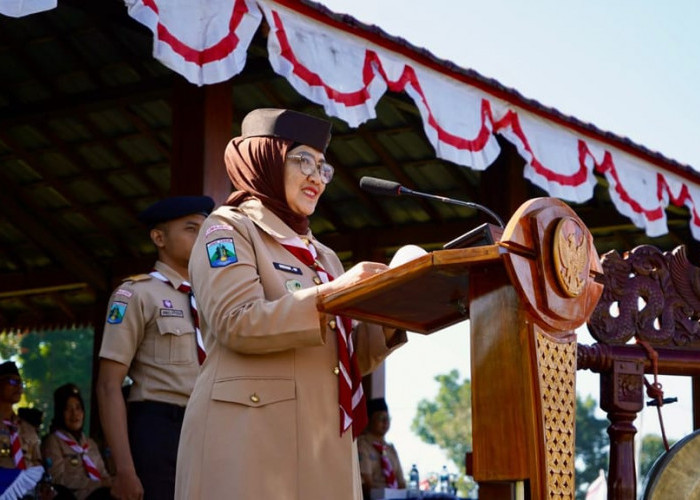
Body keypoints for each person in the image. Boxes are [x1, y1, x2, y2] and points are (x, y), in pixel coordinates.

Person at [174, 108, 408, 500]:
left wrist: (398, 307)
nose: (318, 177)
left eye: (323, 167)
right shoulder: (227, 228)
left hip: (323, 446)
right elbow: (236, 321)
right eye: (304, 161)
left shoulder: (326, 257)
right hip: (252, 443)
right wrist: (331, 295)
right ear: (265, 157)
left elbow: (348, 358)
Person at [96, 194, 214, 500]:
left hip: (209, 426)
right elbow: (109, 385)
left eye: (204, 230)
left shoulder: (213, 300)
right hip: (159, 428)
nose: (200, 238)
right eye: (191, 229)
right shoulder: (136, 294)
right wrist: (124, 469)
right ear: (159, 237)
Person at [42, 384, 111, 500]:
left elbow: (103, 474)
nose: (74, 414)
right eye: (68, 409)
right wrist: (95, 484)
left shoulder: (90, 443)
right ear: (60, 413)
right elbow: (57, 478)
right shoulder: (53, 441)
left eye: (78, 408)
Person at [358, 398, 406, 498]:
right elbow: (366, 486)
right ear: (369, 419)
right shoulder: (362, 445)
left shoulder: (390, 449)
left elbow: (401, 482)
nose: (385, 422)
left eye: (387, 418)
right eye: (380, 418)